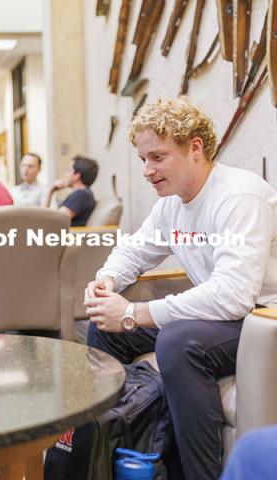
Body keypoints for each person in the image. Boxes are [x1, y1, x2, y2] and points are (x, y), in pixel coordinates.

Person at [84, 97, 277, 480]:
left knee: (178, 340)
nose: (147, 170)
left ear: (195, 148)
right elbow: (135, 250)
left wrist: (133, 313)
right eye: (142, 159)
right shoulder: (173, 204)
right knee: (102, 329)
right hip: (224, 317)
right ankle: (114, 452)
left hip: (263, 319)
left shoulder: (239, 196)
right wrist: (107, 281)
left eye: (157, 157)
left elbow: (233, 295)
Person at [44, 155, 98, 226]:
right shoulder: (84, 193)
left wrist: (50, 190)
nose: (65, 174)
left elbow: (55, 221)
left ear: (77, 176)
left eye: (68, 170)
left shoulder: (81, 195)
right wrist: (51, 191)